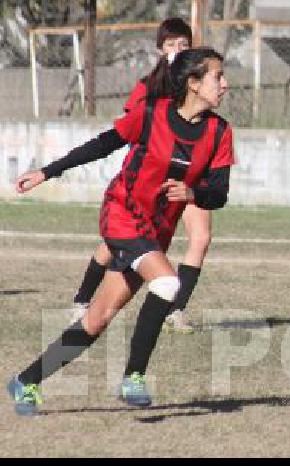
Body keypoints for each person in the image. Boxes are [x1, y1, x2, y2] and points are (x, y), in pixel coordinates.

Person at [7, 47, 235, 415]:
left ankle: (26, 380)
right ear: (193, 84)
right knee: (167, 284)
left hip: (155, 233)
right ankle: (134, 377)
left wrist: (195, 193)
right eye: (217, 77)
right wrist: (47, 172)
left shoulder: (219, 132)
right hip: (122, 215)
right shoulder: (150, 113)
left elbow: (219, 193)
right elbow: (103, 145)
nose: (224, 84)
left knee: (97, 319)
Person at [70, 17, 212, 334]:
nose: (177, 49)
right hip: (150, 177)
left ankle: (176, 309)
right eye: (171, 44)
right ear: (160, 49)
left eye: (183, 44)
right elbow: (127, 129)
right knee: (115, 244)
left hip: (188, 176)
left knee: (201, 238)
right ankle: (82, 299)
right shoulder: (150, 86)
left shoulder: (200, 83)